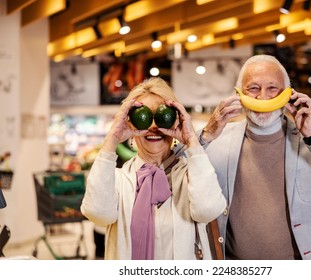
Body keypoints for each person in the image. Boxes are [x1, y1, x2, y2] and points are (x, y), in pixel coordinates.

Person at [194, 54, 311, 260]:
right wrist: (205, 136)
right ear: (239, 93)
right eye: (253, 88)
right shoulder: (217, 140)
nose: (262, 97)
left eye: (272, 88)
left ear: (288, 94)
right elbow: (174, 179)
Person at [81, 77, 226, 260]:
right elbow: (97, 214)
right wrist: (112, 139)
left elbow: (209, 210)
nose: (153, 127)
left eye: (160, 117)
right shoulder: (119, 180)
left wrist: (192, 141)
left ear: (174, 120)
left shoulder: (192, 176)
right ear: (132, 123)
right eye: (145, 117)